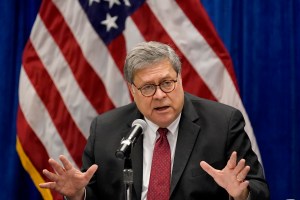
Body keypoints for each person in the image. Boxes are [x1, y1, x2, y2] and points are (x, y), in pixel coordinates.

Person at [39, 41, 269, 200]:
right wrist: (78, 195)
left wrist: (241, 195)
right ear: (133, 90)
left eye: (167, 83)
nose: (160, 95)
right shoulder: (106, 129)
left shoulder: (223, 123)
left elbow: (259, 189)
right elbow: (96, 194)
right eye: (148, 87)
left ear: (180, 80)